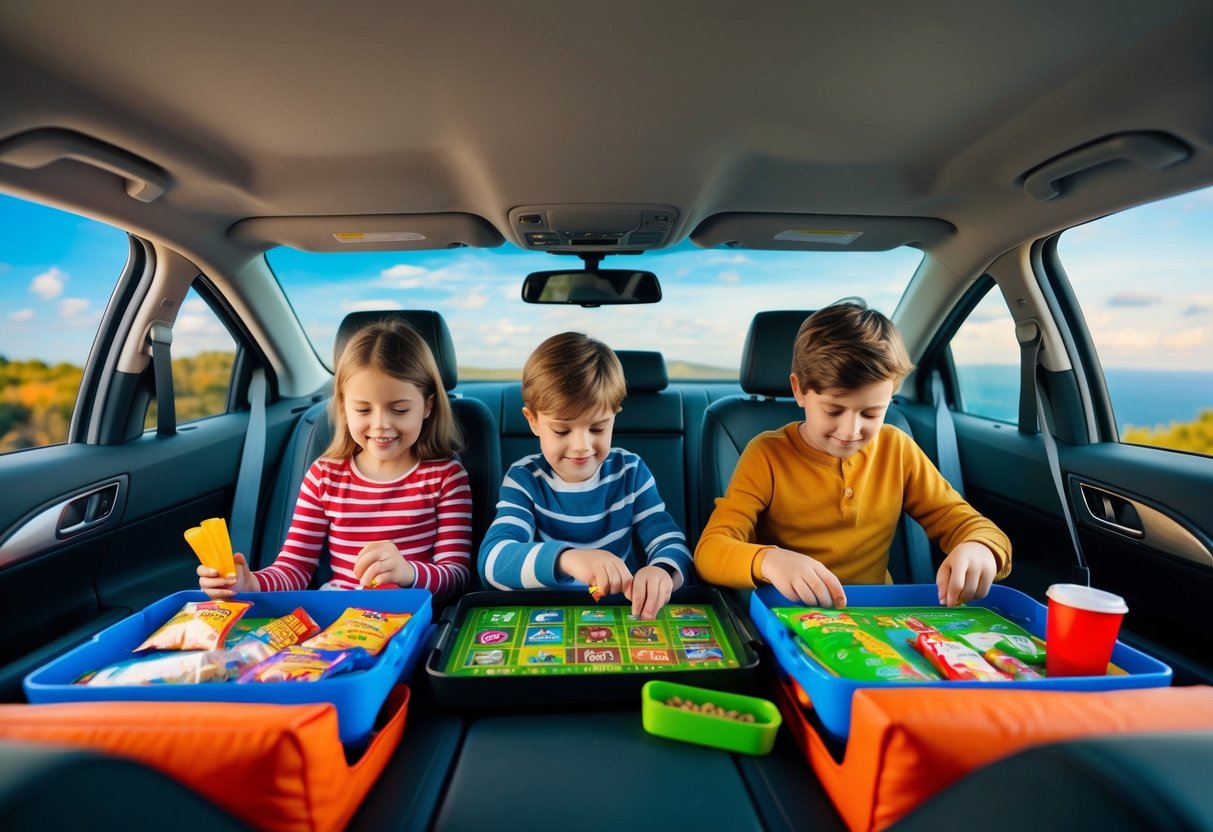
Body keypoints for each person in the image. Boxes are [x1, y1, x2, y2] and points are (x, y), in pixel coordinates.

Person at [694, 298, 1011, 609]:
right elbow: (710, 551)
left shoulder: (896, 449)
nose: (850, 431)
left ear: (891, 395)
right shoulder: (766, 455)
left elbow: (966, 523)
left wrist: (979, 547)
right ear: (799, 390)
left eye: (872, 414)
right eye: (833, 410)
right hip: (792, 617)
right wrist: (767, 560)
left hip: (876, 617)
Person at [198, 319, 473, 601]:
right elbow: (294, 567)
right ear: (343, 406)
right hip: (337, 617)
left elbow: (456, 576)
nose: (380, 424)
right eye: (363, 409)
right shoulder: (324, 477)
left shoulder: (445, 478)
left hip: (411, 616)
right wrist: (250, 584)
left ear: (427, 406)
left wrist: (408, 572)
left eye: (400, 410)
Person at [478, 332, 693, 619]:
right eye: (562, 431)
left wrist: (662, 573)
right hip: (547, 617)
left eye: (597, 428)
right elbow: (492, 562)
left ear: (615, 415)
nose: (581, 446)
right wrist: (567, 559)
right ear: (533, 421)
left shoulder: (631, 472)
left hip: (620, 612)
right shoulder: (524, 480)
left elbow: (669, 541)